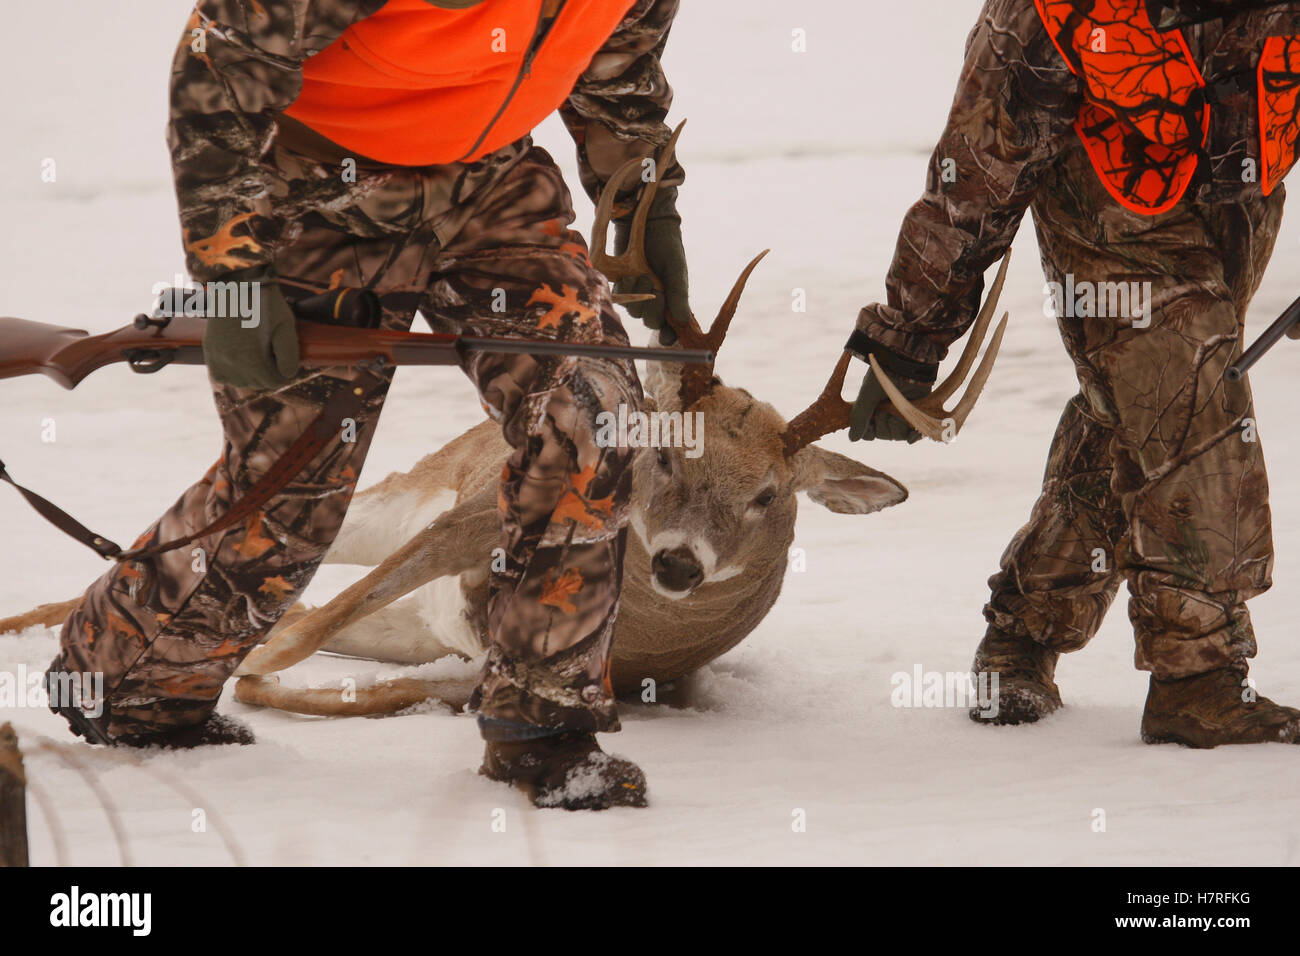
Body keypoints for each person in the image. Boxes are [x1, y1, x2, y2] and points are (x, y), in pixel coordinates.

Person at [45, 0, 691, 810]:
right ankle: (127, 687)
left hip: (496, 181)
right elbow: (222, 58)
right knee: (290, 489)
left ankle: (544, 724)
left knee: (595, 420)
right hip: (313, 185)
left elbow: (618, 67)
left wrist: (643, 206)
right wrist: (233, 272)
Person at [847, 0, 1300, 746]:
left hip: (1238, 199)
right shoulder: (1050, 10)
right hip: (1104, 205)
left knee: (1141, 414)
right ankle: (1200, 676)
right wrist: (912, 333)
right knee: (1195, 402)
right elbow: (977, 169)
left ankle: (1023, 633)